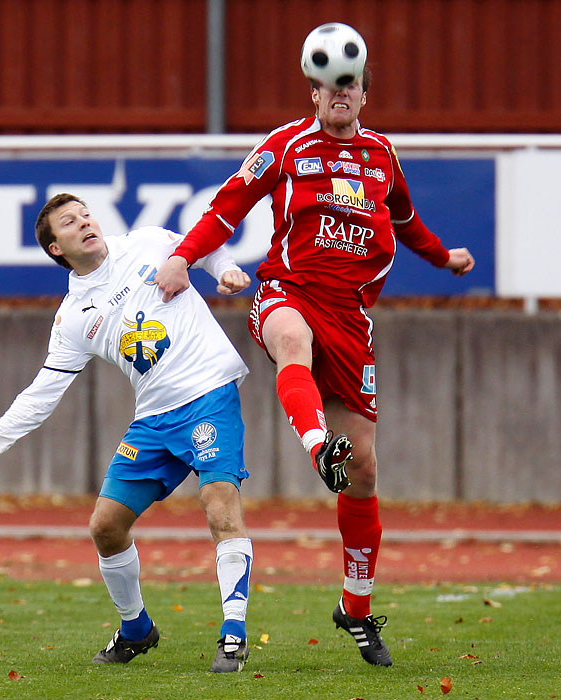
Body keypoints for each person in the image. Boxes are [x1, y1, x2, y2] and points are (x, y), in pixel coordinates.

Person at [154, 56, 475, 666]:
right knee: (291, 345)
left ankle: (355, 608)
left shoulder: (382, 155)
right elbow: (227, 207)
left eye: (350, 84)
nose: (340, 93)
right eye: (330, 84)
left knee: (367, 472)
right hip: (287, 292)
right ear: (315, 90)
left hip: (352, 320)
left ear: (362, 93)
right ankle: (314, 446)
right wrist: (183, 258)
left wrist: (443, 259)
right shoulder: (285, 145)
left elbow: (406, 222)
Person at [0, 193, 255, 673]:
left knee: (219, 500)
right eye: (69, 223)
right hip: (154, 418)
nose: (84, 224)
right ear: (56, 248)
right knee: (105, 526)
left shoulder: (146, 243)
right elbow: (44, 390)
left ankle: (234, 634)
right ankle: (136, 628)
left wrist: (225, 269)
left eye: (85, 215)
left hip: (208, 394)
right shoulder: (73, 317)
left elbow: (204, 246)